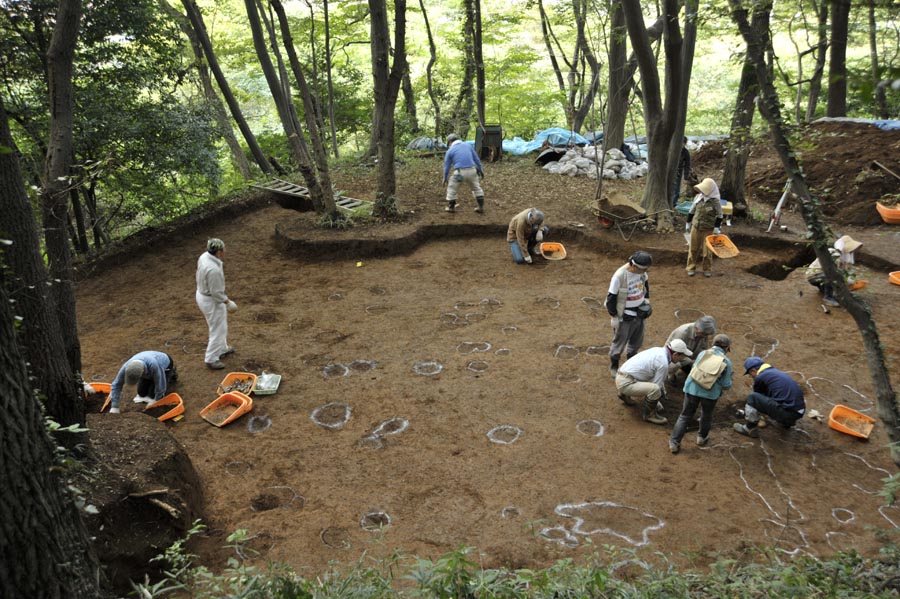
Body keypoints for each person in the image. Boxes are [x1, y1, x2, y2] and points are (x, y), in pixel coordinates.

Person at [669, 334, 733, 453]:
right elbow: (726, 385)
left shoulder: (703, 354)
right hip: (710, 394)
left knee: (685, 415)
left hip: (692, 389)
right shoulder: (726, 362)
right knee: (706, 414)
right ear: (727, 348)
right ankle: (701, 438)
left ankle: (674, 443)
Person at [615, 339, 693, 425]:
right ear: (675, 354)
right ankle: (649, 415)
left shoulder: (658, 350)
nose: (682, 358)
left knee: (649, 374)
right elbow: (656, 386)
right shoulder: (663, 363)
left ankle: (623, 394)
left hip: (621, 375)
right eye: (682, 356)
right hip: (625, 383)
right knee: (655, 390)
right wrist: (656, 403)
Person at [605, 251, 653, 377]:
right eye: (642, 269)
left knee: (636, 342)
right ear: (633, 265)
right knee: (619, 342)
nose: (644, 271)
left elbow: (645, 287)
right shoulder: (620, 276)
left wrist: (646, 302)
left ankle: (630, 365)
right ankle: (614, 365)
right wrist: (614, 316)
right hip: (624, 316)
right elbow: (611, 298)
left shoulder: (642, 273)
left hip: (639, 313)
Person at [733, 357, 807, 437]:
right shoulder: (774, 372)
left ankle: (749, 428)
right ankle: (787, 423)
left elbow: (758, 398)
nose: (751, 377)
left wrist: (759, 416)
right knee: (779, 398)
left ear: (753, 370)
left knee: (753, 397)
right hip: (799, 411)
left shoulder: (760, 377)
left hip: (787, 413)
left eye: (750, 374)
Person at [196, 238, 237, 370]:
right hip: (211, 300)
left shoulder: (204, 256)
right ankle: (211, 358)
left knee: (220, 326)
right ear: (218, 252)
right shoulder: (213, 270)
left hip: (203, 295)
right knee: (217, 329)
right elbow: (216, 293)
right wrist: (228, 302)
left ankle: (222, 348)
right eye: (223, 249)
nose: (225, 251)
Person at [108, 351, 177, 414]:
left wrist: (156, 401)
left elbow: (160, 383)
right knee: (141, 393)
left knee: (152, 395)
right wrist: (114, 406)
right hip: (147, 368)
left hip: (165, 364)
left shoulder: (154, 365)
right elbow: (116, 385)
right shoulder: (126, 366)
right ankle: (149, 379)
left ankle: (171, 373)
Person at [805, 234, 862, 307]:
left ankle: (824, 290)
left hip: (821, 276)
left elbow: (845, 273)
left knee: (836, 277)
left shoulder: (843, 258)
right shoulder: (833, 253)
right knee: (832, 276)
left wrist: (852, 283)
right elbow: (832, 271)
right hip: (814, 276)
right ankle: (828, 297)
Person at [685, 177, 724, 277]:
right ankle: (691, 267)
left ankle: (707, 269)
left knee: (707, 251)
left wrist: (717, 228)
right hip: (696, 227)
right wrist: (688, 223)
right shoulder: (698, 198)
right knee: (693, 248)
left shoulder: (715, 202)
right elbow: (691, 211)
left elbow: (720, 215)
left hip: (708, 229)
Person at [665, 316, 717, 383]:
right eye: (704, 334)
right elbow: (675, 353)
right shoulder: (683, 332)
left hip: (689, 356)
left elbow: (704, 349)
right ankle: (669, 375)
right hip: (674, 357)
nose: (706, 337)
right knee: (674, 365)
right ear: (696, 329)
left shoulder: (703, 332)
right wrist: (691, 362)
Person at [442, 133, 485, 213]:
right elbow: (477, 160)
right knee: (476, 188)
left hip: (459, 172)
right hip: (472, 170)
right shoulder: (468, 146)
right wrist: (481, 170)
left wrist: (445, 177)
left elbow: (446, 166)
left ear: (450, 142)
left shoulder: (450, 150)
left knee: (452, 188)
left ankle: (451, 207)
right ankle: (481, 207)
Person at [671, 137, 696, 207]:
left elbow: (687, 164)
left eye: (683, 144)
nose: (682, 145)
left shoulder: (685, 152)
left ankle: (674, 202)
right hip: (670, 171)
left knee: (676, 189)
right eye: (681, 143)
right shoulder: (672, 150)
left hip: (678, 172)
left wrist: (686, 174)